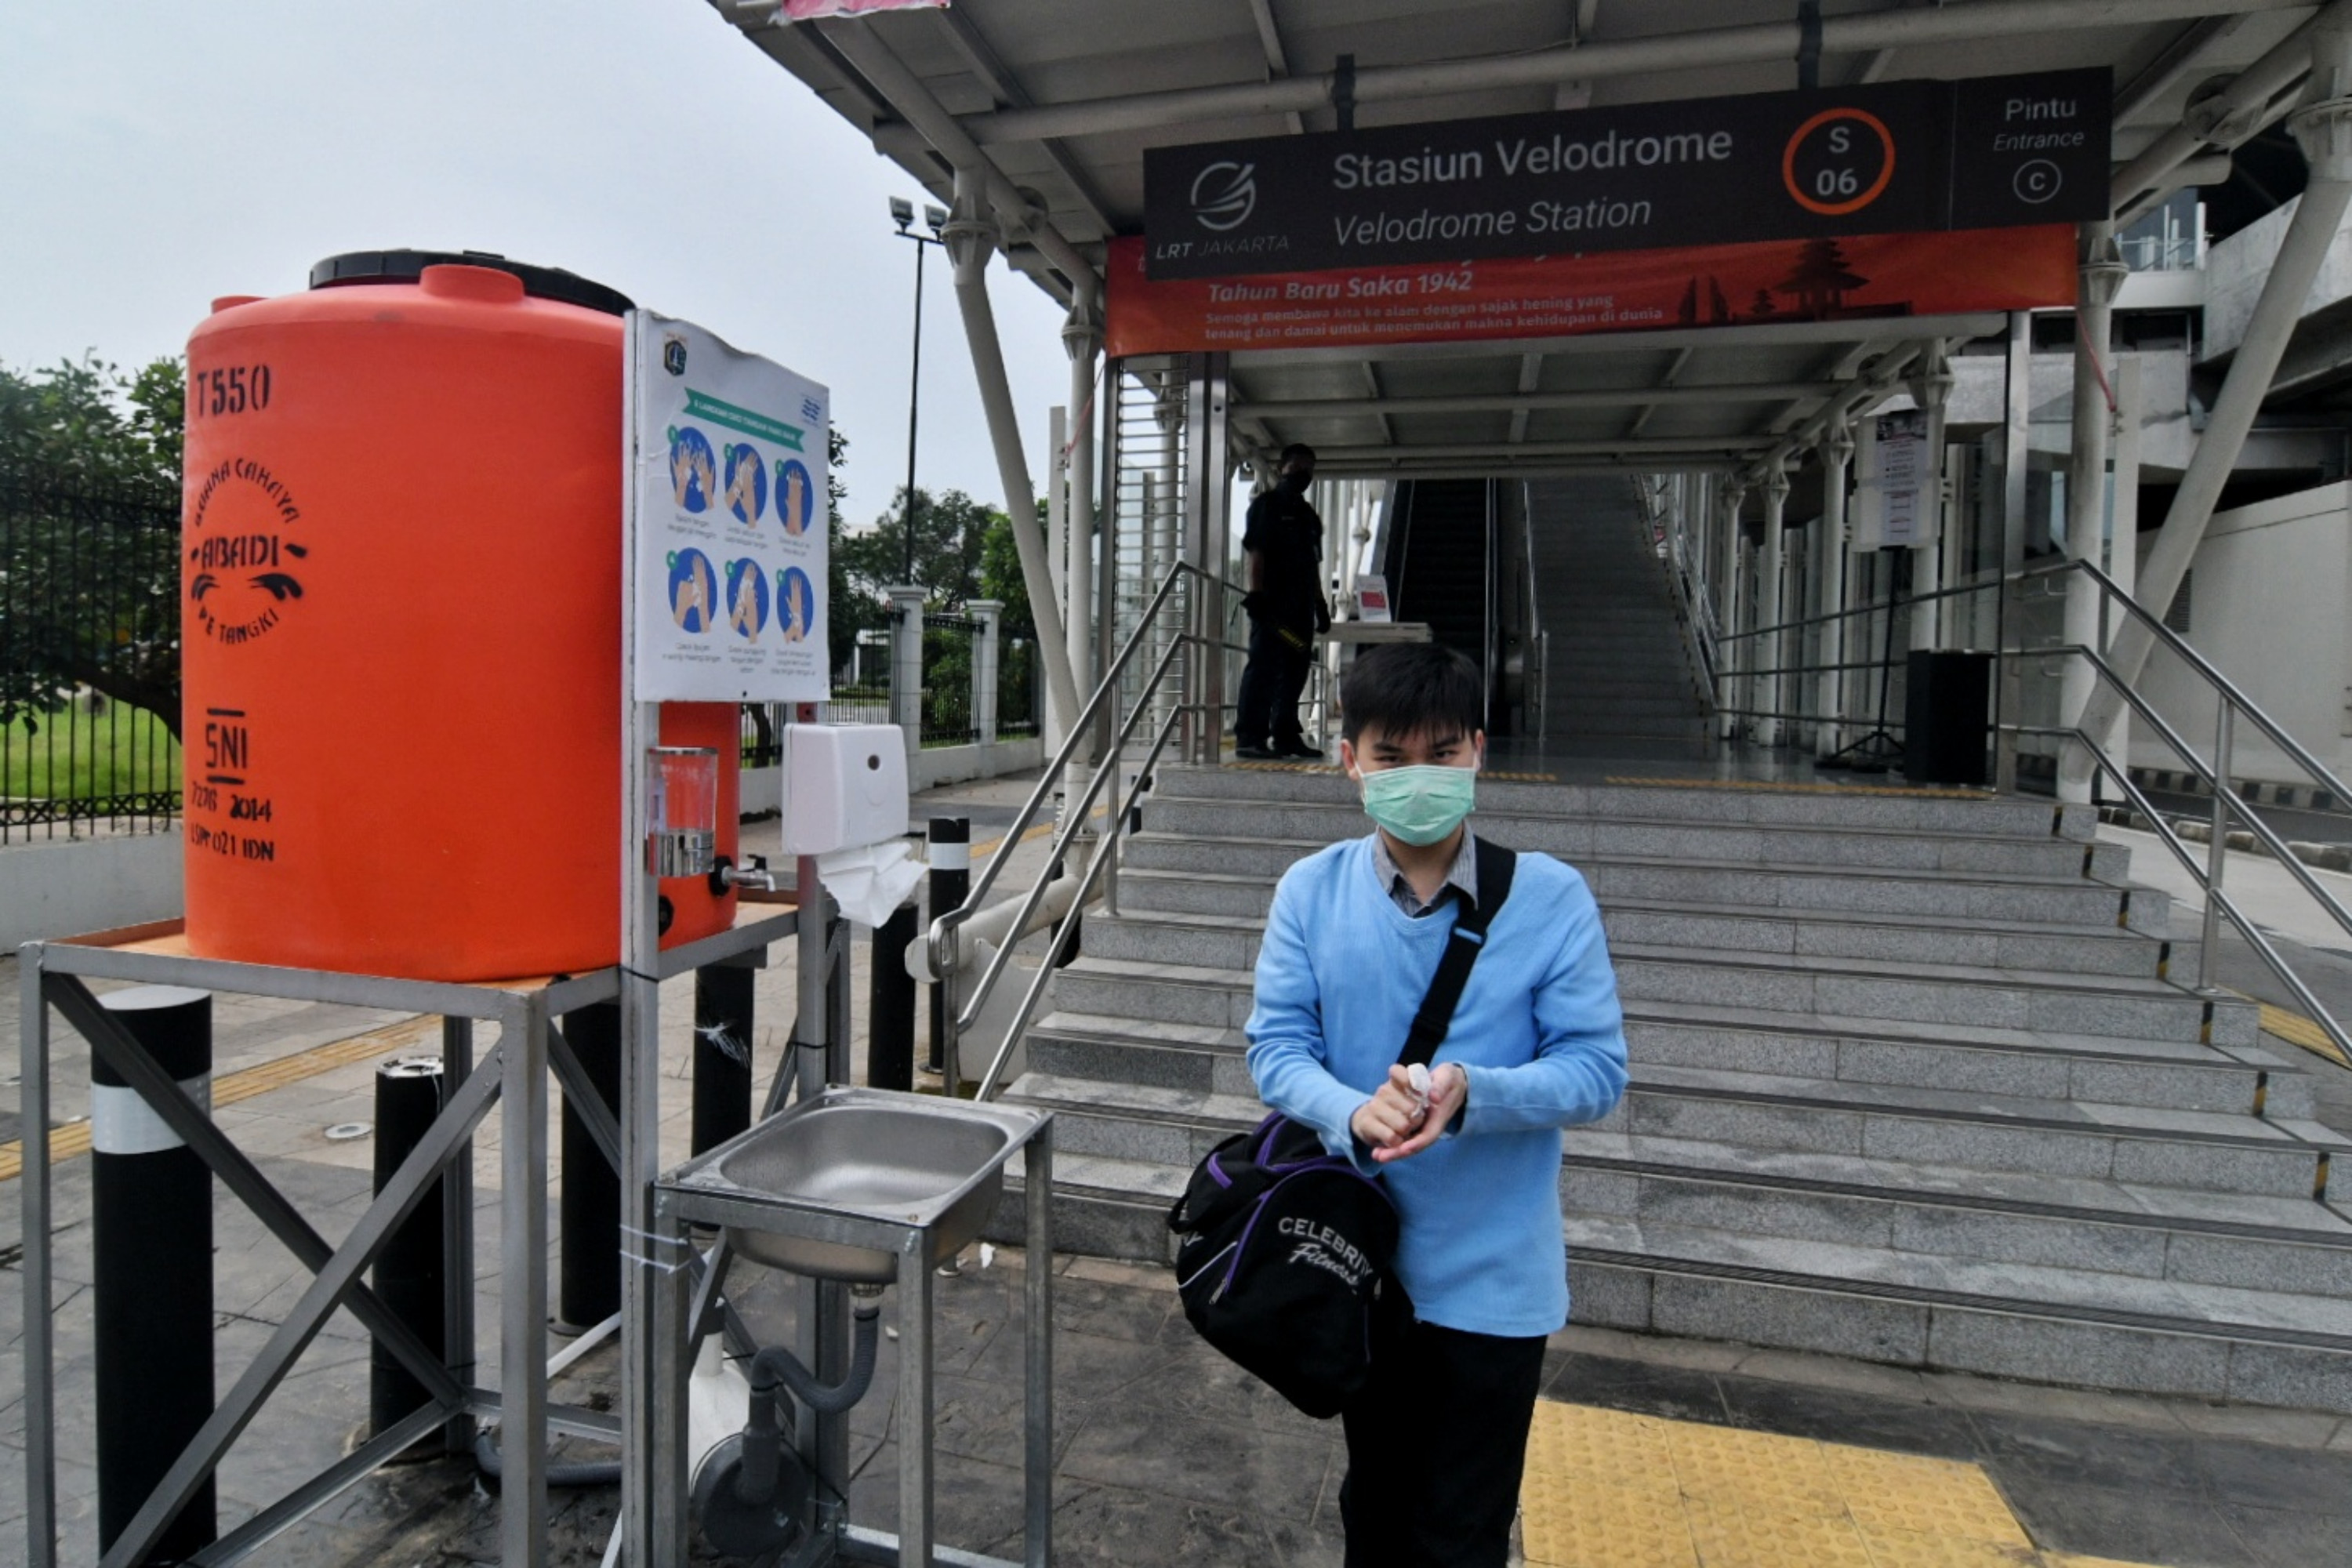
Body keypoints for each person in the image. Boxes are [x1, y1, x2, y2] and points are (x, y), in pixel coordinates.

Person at [1245, 642, 1628, 1568]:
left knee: (1464, 1529)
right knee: (1374, 1509)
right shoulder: (1311, 890)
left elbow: (1596, 1068)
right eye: (1391, 756)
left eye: (1444, 752)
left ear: (1479, 754)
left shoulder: (1550, 897)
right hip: (1361, 1271)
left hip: (1496, 1288)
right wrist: (1347, 1110)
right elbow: (1277, 1047)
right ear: (1349, 761)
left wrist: (1474, 1093)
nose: (1421, 776)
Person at [1236, 442, 1331, 760]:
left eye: (1309, 468)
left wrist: (1320, 604)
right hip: (1272, 606)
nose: (1303, 473)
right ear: (1282, 468)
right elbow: (1257, 553)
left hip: (1300, 608)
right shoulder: (1267, 506)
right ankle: (1251, 737)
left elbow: (1312, 564)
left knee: (1295, 671)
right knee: (1263, 669)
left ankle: (1286, 736)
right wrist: (1257, 594)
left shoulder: (1308, 517)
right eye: (1297, 466)